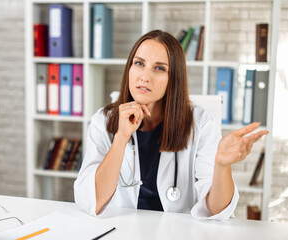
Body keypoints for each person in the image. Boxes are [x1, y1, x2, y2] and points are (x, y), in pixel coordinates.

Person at [73, 30, 269, 220]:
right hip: (123, 230)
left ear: (173, 78)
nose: (145, 76)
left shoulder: (201, 124)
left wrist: (222, 165)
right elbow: (92, 201)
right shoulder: (104, 121)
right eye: (139, 63)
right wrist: (121, 138)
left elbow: (217, 210)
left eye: (159, 68)